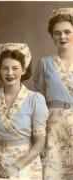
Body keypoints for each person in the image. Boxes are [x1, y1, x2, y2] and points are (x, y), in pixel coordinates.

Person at [0, 43, 49, 180]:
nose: (10, 73)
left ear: (23, 70)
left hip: (26, 161)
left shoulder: (35, 99)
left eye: (15, 68)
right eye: (5, 68)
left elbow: (39, 143)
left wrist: (16, 167)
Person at [33, 8, 73, 180]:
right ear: (52, 36)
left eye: (67, 32)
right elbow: (40, 95)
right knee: (53, 172)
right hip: (54, 124)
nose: (62, 37)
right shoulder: (45, 63)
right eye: (57, 33)